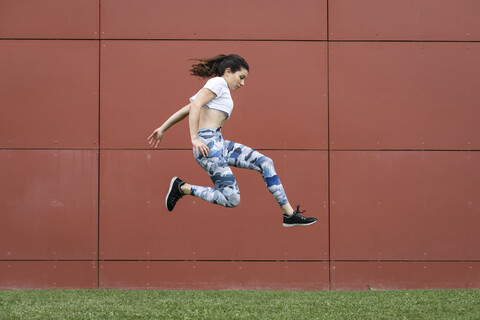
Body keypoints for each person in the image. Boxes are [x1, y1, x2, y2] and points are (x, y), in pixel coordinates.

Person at [148, 54, 317, 227]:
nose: (242, 83)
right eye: (241, 77)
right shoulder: (218, 83)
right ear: (228, 71)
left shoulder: (217, 89)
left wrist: (162, 128)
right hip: (208, 147)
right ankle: (182, 188)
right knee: (232, 199)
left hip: (220, 143)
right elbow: (196, 107)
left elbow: (188, 109)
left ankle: (289, 214)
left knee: (266, 163)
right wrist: (194, 139)